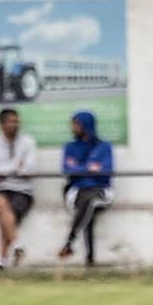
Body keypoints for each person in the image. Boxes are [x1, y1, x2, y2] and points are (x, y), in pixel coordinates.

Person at [58, 111, 114, 267]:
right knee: (88, 203)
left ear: (85, 125)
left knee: (89, 202)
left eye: (76, 125)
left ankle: (70, 243)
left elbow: (107, 170)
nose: (73, 128)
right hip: (77, 192)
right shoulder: (70, 147)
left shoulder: (104, 147)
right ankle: (87, 257)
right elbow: (67, 170)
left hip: (101, 192)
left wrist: (79, 169)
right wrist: (90, 168)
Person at [0, 108, 37, 270]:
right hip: (0, 189)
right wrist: (16, 166)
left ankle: (2, 260)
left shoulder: (28, 142)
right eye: (11, 122)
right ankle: (16, 245)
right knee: (1, 203)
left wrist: (6, 170)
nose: (15, 125)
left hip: (23, 190)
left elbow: (29, 170)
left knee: (5, 216)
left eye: (17, 121)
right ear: (2, 124)